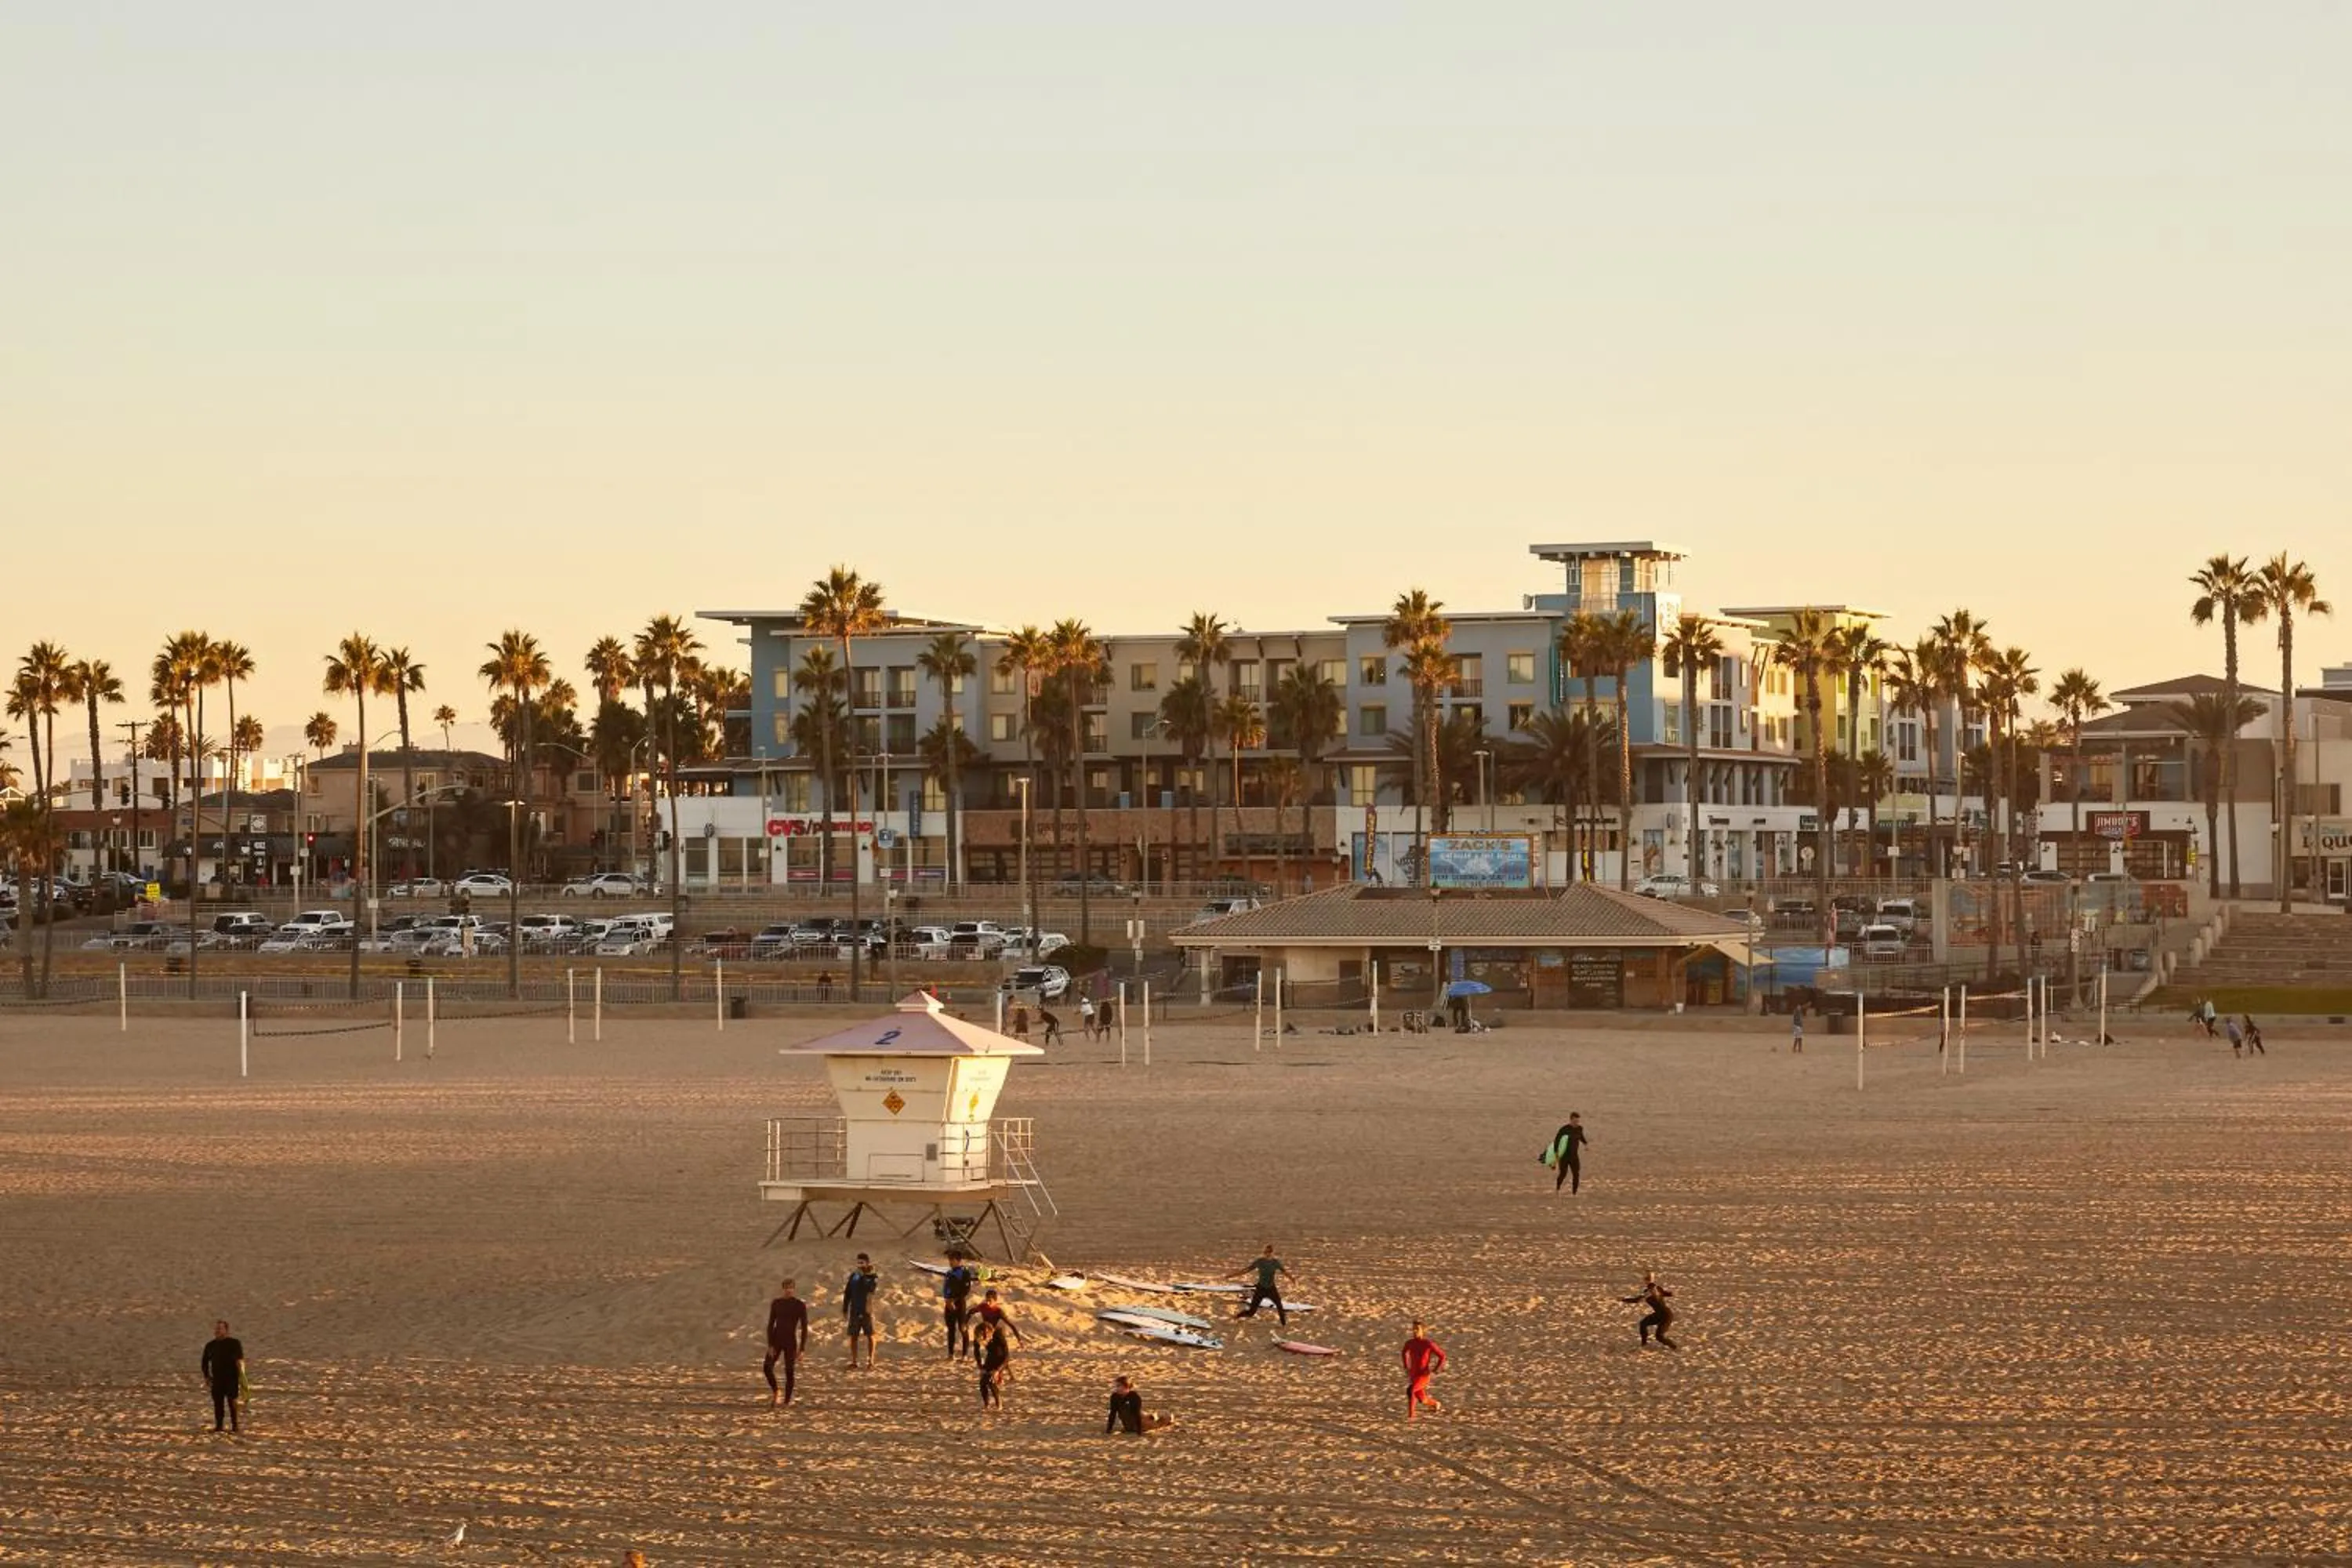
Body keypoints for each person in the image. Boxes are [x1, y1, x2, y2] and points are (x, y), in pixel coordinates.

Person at [763, 1279, 810, 1406]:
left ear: (794, 1289)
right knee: (767, 1367)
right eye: (786, 1288)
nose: (788, 1290)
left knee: (789, 1370)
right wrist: (770, 1345)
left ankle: (787, 1401)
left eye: (791, 1288)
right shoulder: (777, 1303)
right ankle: (776, 1391)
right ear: (783, 1289)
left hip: (790, 1341)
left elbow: (804, 1327)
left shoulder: (799, 1305)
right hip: (777, 1339)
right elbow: (771, 1324)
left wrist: (802, 1349)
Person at [200, 1319, 245, 1432]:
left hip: (232, 1378)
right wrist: (207, 1377)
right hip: (217, 1379)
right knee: (218, 1404)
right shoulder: (210, 1345)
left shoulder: (234, 1343)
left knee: (232, 1402)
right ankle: (219, 1426)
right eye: (216, 1329)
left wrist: (242, 1377)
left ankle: (235, 1426)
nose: (217, 1331)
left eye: (220, 1328)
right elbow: (204, 1362)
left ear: (226, 1330)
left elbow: (240, 1360)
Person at [1230, 1243, 1290, 1326]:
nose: (1267, 1254)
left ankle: (1284, 1325)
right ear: (1264, 1252)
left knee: (1280, 1306)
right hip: (1260, 1289)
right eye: (1266, 1252)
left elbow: (1285, 1272)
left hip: (1271, 1288)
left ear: (1272, 1253)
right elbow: (1247, 1270)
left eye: (1269, 1252)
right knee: (1251, 1313)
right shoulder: (1260, 1261)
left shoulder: (1275, 1262)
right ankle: (1237, 1316)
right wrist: (1232, 1275)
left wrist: (1293, 1279)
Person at [1400, 1322, 1446, 1421]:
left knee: (1411, 1390)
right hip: (1413, 1376)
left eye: (1417, 1329)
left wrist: (1436, 1370)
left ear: (1423, 1331)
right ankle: (1435, 1404)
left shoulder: (1428, 1344)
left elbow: (1442, 1356)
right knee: (1422, 1399)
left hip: (1424, 1376)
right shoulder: (1410, 1343)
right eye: (1413, 1329)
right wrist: (1406, 1367)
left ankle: (1411, 1417)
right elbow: (1404, 1352)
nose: (1415, 1331)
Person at [1621, 1271, 1678, 1349]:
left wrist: (1623, 1300)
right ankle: (1644, 1344)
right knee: (1644, 1324)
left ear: (1646, 1280)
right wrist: (1671, 1294)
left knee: (1659, 1336)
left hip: (1665, 1315)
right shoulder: (1657, 1288)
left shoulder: (1648, 1292)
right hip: (1661, 1314)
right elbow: (1666, 1294)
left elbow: (1636, 1300)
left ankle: (1674, 1347)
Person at [841, 1254, 880, 1369]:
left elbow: (870, 1289)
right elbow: (848, 1292)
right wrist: (845, 1308)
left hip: (866, 1310)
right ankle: (854, 1361)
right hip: (854, 1309)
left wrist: (863, 1276)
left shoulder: (873, 1276)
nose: (860, 1265)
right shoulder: (854, 1276)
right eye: (858, 1263)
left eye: (862, 1263)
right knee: (853, 1336)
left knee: (870, 1335)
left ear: (867, 1263)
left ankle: (870, 1361)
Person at [967, 1287, 1022, 1365]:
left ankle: (1001, 1366)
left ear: (995, 1301)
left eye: (990, 1301)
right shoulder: (983, 1307)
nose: (988, 1303)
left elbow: (1011, 1325)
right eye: (987, 1300)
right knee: (976, 1343)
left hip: (993, 1331)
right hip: (984, 1330)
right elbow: (971, 1312)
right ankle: (980, 1365)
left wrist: (1019, 1339)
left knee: (998, 1353)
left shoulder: (998, 1311)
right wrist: (965, 1323)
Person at [941, 1250, 978, 1359]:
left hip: (959, 1303)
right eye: (949, 1260)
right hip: (949, 1303)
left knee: (962, 1327)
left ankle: (965, 1354)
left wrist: (954, 1300)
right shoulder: (949, 1273)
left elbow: (965, 1290)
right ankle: (950, 1354)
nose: (950, 1262)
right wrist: (947, 1300)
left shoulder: (964, 1272)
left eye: (952, 1260)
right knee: (951, 1329)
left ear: (958, 1260)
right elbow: (946, 1288)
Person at [1105, 1374, 1172, 1434]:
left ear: (1126, 1387)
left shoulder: (1134, 1397)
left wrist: (1139, 1431)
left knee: (1159, 1422)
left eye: (1119, 1386)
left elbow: (1137, 1414)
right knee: (1147, 1416)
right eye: (1116, 1386)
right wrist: (1109, 1429)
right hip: (1128, 1424)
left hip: (1141, 1423)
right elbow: (1113, 1413)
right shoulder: (1115, 1397)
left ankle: (1168, 1416)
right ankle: (1152, 1416)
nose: (1116, 1388)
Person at [1545, 1112, 1589, 1196]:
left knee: (1576, 1174)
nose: (1577, 1123)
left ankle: (1574, 1193)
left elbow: (1581, 1137)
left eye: (1578, 1121)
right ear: (1571, 1119)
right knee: (1563, 1174)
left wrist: (1585, 1144)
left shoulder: (1579, 1128)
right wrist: (1556, 1154)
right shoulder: (1564, 1129)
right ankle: (1558, 1189)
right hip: (1564, 1156)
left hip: (1574, 1156)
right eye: (1575, 1121)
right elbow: (1557, 1141)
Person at [978, 1320, 1011, 1410]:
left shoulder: (999, 1335)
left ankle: (999, 1404)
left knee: (991, 1380)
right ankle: (987, 1404)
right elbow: (978, 1353)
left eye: (986, 1335)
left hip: (1001, 1361)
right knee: (982, 1383)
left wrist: (998, 1370)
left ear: (989, 1331)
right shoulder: (982, 1337)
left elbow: (1007, 1356)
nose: (984, 1337)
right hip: (990, 1360)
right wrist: (981, 1367)